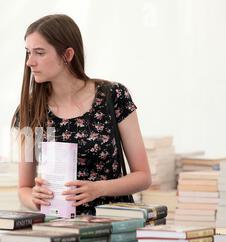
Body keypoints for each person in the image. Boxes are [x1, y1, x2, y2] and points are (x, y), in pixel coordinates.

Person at [12, 14, 152, 215]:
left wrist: (99, 189)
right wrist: (34, 198)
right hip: (59, 229)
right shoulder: (29, 109)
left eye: (40, 53)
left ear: (67, 55)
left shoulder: (114, 96)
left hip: (114, 226)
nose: (30, 62)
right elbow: (23, 188)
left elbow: (143, 176)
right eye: (28, 52)